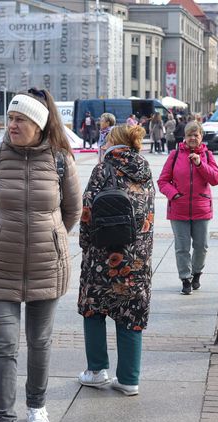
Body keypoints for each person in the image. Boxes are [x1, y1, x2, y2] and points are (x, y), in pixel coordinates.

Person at [0, 88, 82, 422]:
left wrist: (49, 237)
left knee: (40, 341)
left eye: (20, 120)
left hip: (46, 266)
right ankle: (3, 420)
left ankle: (37, 407)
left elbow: (73, 210)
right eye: (11, 118)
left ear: (38, 124)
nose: (12, 124)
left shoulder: (61, 159)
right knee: (4, 344)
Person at [77, 124, 155, 397]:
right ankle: (129, 379)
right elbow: (149, 216)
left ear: (114, 141)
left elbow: (87, 212)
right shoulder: (145, 171)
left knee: (94, 309)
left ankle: (97, 371)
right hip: (137, 259)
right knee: (131, 314)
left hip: (103, 257)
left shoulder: (103, 169)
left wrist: (85, 246)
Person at [158, 121, 218, 295]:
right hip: (178, 209)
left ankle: (196, 274)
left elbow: (216, 179)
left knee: (202, 246)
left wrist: (200, 164)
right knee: (182, 247)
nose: (192, 138)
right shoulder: (175, 154)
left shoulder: (207, 155)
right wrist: (174, 194)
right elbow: (163, 181)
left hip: (201, 208)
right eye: (189, 135)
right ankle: (185, 279)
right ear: (184, 137)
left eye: (196, 135)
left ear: (201, 137)